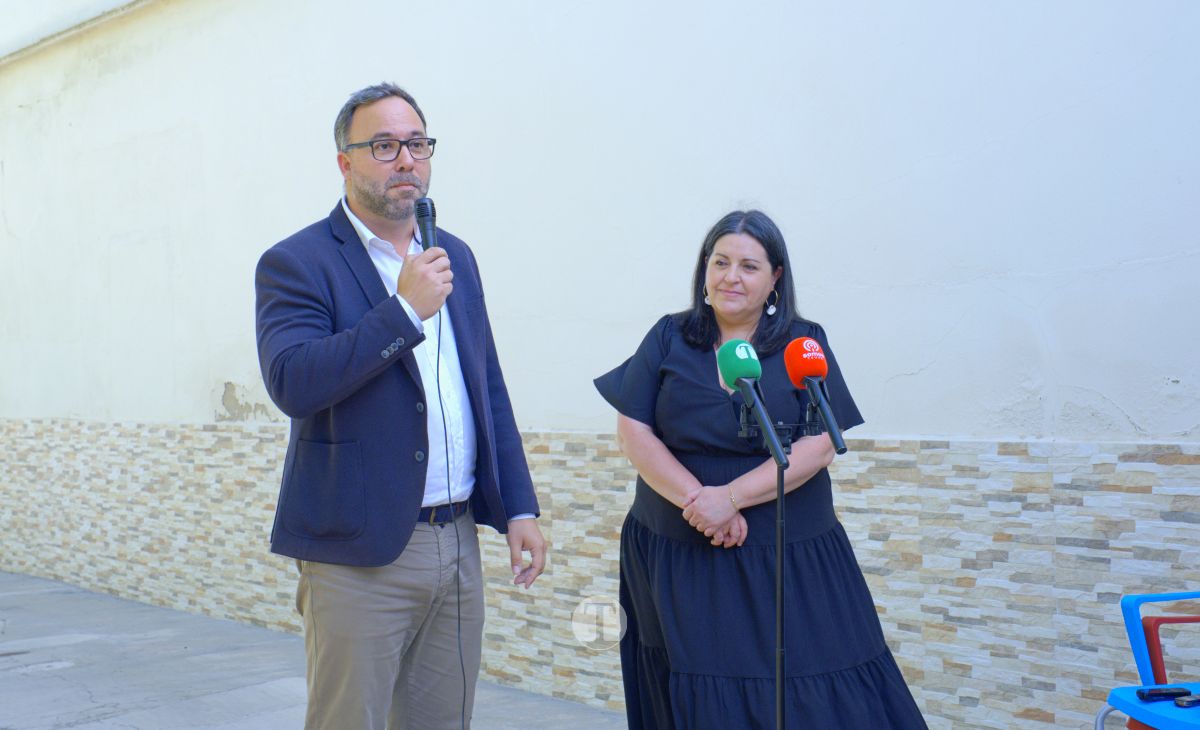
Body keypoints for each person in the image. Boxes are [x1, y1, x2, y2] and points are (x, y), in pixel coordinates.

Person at [254, 82, 546, 730]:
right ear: (345, 162)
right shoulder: (297, 264)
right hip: (358, 555)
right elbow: (292, 381)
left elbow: (486, 387)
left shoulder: (454, 258)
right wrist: (403, 311)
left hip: (457, 541)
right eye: (383, 146)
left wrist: (519, 504)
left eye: (416, 143)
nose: (405, 160)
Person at [594, 210, 926, 729]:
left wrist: (731, 499)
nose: (731, 276)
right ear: (704, 270)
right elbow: (632, 431)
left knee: (809, 680)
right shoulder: (669, 336)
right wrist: (700, 502)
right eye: (720, 261)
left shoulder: (802, 341)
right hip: (679, 548)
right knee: (692, 685)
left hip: (786, 548)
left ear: (775, 277)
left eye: (749, 266)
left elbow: (819, 445)